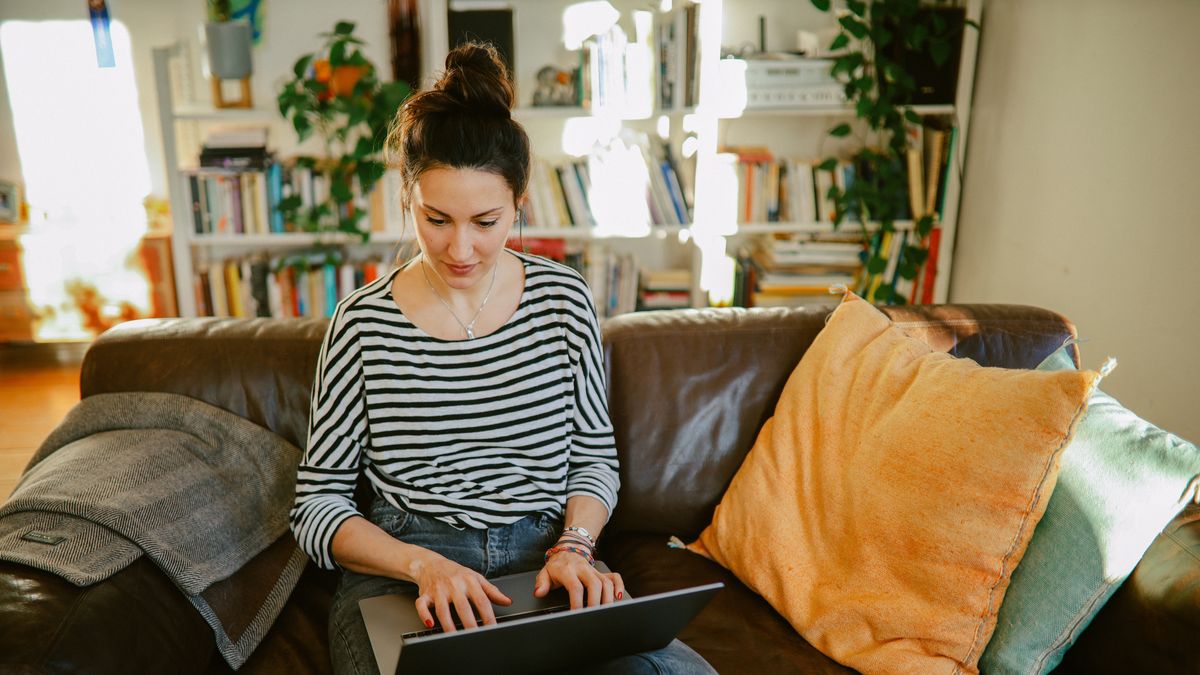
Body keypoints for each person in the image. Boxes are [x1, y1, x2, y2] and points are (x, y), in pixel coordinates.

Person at [289, 42, 717, 675]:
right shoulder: (362, 322)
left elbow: (593, 459)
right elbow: (317, 504)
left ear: (520, 202)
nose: (460, 248)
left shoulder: (563, 299)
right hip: (408, 571)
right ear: (407, 196)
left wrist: (575, 546)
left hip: (545, 560)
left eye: (486, 222)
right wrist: (423, 565)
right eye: (436, 219)